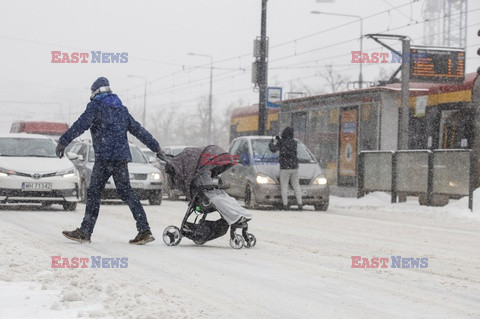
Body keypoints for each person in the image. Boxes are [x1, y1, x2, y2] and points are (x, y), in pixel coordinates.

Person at [56, 77, 165, 245]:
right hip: (120, 158)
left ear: (95, 92)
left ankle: (85, 231)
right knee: (127, 192)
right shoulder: (121, 109)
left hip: (105, 158)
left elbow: (80, 125)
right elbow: (139, 131)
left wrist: (64, 141)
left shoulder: (96, 106)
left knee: (94, 193)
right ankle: (144, 230)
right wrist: (157, 148)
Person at [269, 126, 303, 210]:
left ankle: (285, 205)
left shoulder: (281, 142)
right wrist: (279, 140)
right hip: (294, 167)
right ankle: (300, 204)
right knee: (296, 185)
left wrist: (271, 143)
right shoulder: (294, 142)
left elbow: (274, 149)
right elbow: (287, 145)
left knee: (284, 186)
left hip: (284, 167)